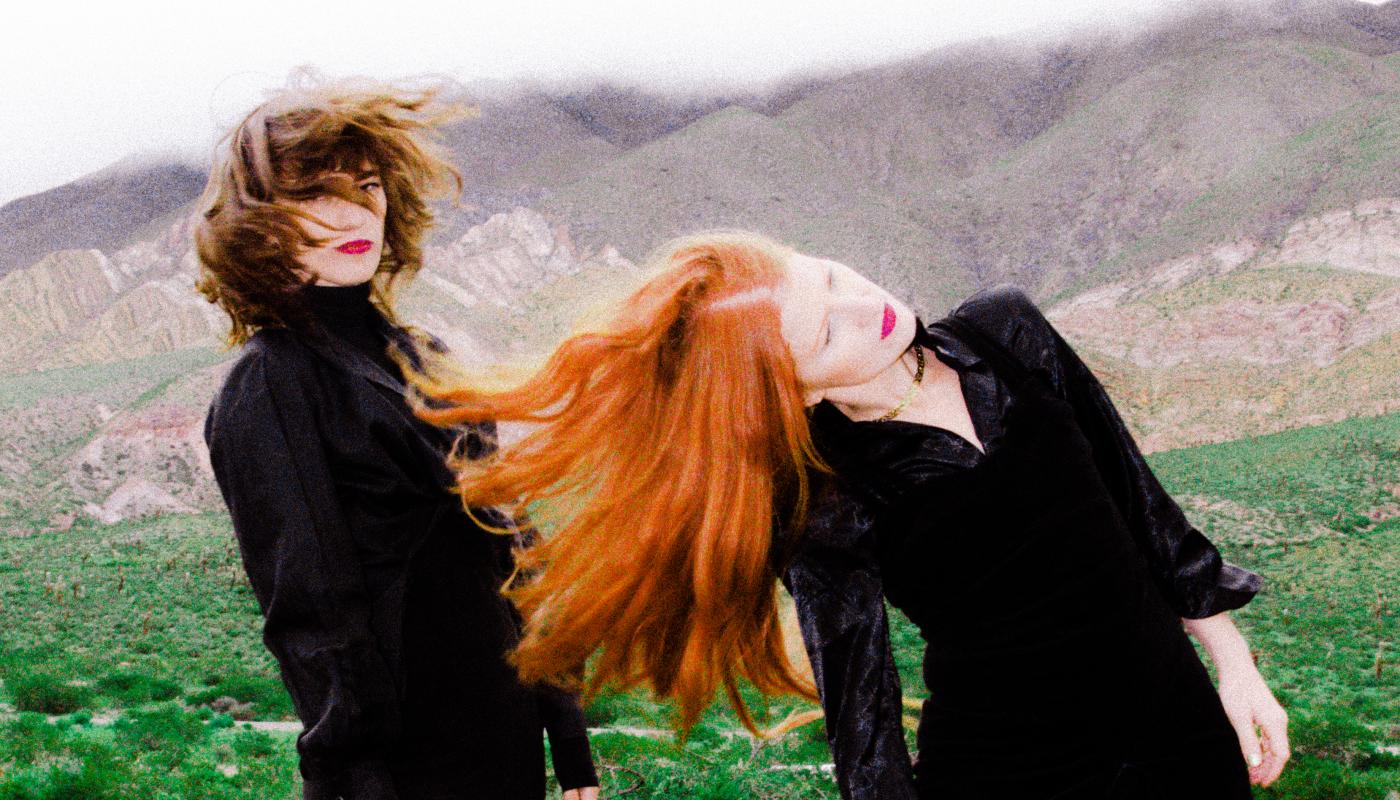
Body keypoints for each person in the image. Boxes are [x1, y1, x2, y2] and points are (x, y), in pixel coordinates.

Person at [409, 231, 1290, 799]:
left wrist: (1236, 669)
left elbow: (1143, 507)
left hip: (1181, 734)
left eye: (827, 278)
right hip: (1012, 773)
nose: (859, 308)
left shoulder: (1002, 331)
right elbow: (861, 709)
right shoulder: (824, 495)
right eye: (822, 334)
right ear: (791, 391)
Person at [196, 72, 600, 800]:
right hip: (400, 765)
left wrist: (568, 741)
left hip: (504, 738)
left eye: (368, 186)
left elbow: (517, 555)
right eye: (317, 193)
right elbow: (314, 618)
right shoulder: (273, 383)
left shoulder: (427, 358)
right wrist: (359, 781)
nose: (355, 214)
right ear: (259, 220)